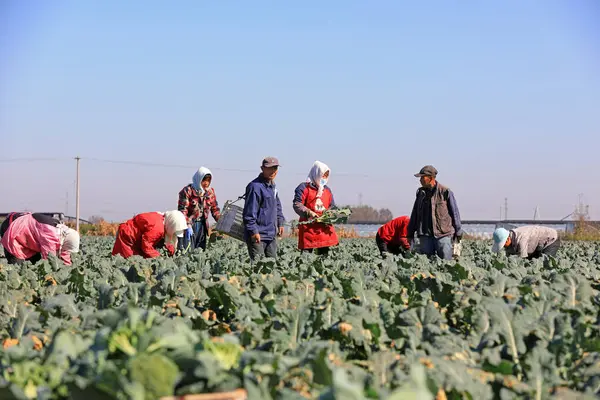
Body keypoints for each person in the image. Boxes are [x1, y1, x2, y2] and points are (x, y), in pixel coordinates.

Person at [407, 165, 463, 260]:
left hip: (442, 235)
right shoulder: (420, 194)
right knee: (426, 264)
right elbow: (415, 213)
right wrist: (410, 233)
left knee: (446, 264)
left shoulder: (445, 192)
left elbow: (455, 213)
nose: (420, 180)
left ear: (431, 178)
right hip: (425, 236)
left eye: (422, 177)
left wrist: (458, 231)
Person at [242, 157, 285, 261]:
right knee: (258, 268)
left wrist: (280, 222)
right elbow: (249, 213)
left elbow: (277, 207)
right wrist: (254, 231)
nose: (273, 171)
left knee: (272, 266)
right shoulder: (255, 187)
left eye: (275, 168)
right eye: (269, 168)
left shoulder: (273, 187)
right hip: (258, 235)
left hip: (271, 235)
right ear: (262, 168)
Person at [293, 161, 339, 255]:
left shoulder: (327, 190)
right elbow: (297, 204)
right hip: (308, 228)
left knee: (323, 257)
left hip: (323, 228)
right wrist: (309, 212)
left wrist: (329, 214)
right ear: (316, 173)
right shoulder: (303, 187)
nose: (324, 178)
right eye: (323, 175)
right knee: (306, 257)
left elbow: (332, 206)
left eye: (326, 176)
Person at [1, 212, 80, 265]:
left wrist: (68, 268)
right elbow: (49, 259)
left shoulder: (63, 235)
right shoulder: (51, 233)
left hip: (27, 239)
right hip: (11, 230)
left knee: (35, 263)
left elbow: (64, 253)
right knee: (17, 265)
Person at [177, 167, 221, 251]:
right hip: (190, 225)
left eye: (208, 180)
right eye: (204, 180)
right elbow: (183, 210)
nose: (206, 183)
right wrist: (187, 225)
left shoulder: (210, 192)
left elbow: (215, 209)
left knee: (200, 250)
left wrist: (221, 221)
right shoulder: (188, 191)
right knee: (188, 250)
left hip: (202, 226)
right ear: (199, 179)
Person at [112, 210, 187, 259]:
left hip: (133, 236)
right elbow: (146, 246)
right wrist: (159, 257)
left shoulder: (162, 219)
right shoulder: (158, 228)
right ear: (171, 225)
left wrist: (169, 248)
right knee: (127, 261)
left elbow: (154, 239)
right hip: (127, 236)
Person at [492, 226, 561, 259]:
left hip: (551, 239)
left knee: (545, 262)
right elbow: (510, 255)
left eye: (503, 244)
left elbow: (523, 258)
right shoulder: (511, 237)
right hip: (537, 244)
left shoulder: (521, 238)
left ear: (507, 240)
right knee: (534, 260)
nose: (504, 246)